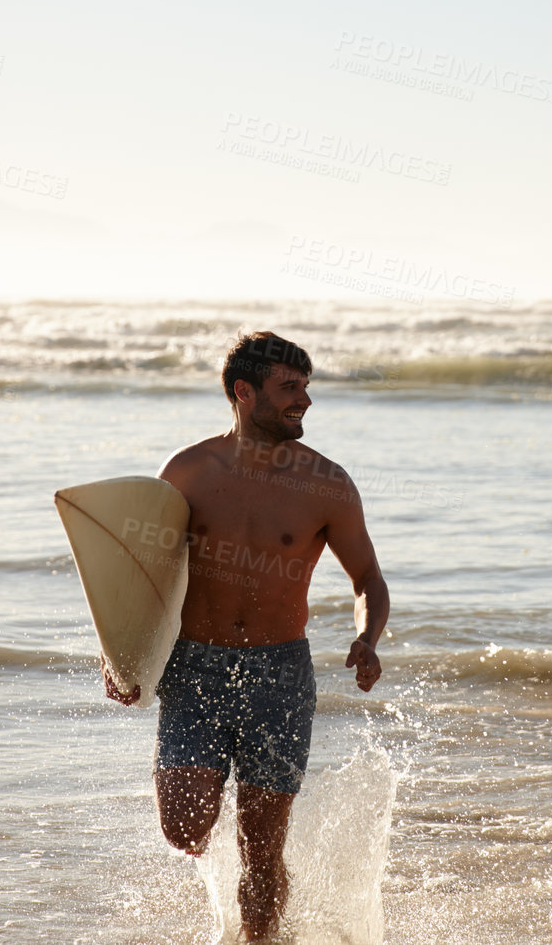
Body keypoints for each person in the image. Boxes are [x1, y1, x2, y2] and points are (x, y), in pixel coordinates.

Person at [105, 330, 390, 941]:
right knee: (185, 827)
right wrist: (121, 656)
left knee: (262, 850)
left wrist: (368, 638)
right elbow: (141, 574)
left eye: (307, 388)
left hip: (280, 675)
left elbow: (367, 577)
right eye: (289, 388)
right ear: (244, 391)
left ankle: (260, 936)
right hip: (193, 667)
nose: (305, 401)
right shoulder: (186, 471)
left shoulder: (326, 484)